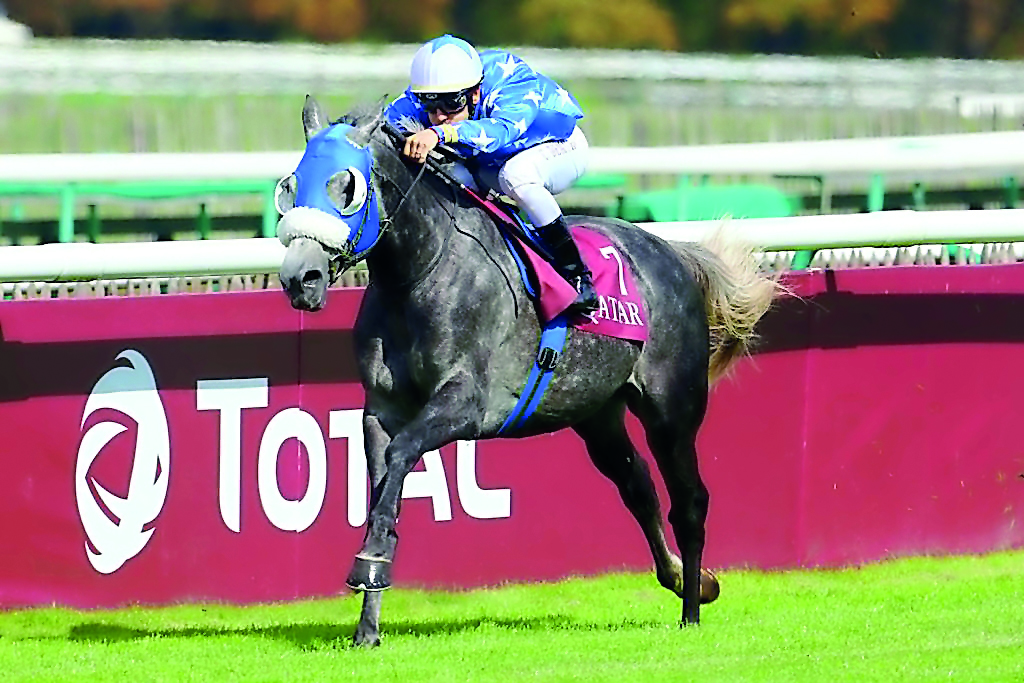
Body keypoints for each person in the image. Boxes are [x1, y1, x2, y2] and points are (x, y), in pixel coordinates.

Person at [384, 34, 598, 315]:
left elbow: (501, 132)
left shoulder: (512, 78)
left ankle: (576, 275)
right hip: (493, 161)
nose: (440, 115)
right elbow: (380, 130)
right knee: (452, 176)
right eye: (430, 105)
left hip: (559, 147)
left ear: (474, 93)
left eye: (451, 104)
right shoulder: (422, 95)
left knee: (517, 175)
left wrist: (440, 134)